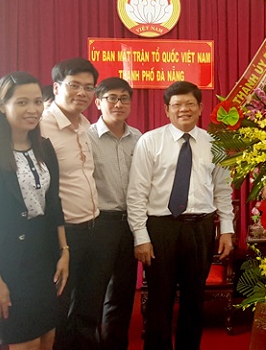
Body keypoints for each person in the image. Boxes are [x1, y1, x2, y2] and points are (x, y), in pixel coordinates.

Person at [127, 81, 234, 350]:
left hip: (201, 228)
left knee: (193, 298)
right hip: (161, 228)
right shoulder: (149, 141)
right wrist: (140, 236)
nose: (183, 109)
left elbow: (223, 189)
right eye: (177, 105)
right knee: (159, 299)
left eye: (189, 104)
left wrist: (228, 230)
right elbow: (137, 192)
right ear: (166, 109)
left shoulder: (214, 144)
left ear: (200, 108)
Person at [0, 72, 69, 349]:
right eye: (22, 102)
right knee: (23, 342)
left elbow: (54, 203)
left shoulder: (44, 148)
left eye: (38, 101)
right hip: (5, 263)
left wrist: (64, 252)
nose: (33, 109)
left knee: (47, 338)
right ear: (2, 105)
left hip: (43, 257)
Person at [40, 57, 102, 350]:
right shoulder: (41, 127)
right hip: (60, 234)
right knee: (59, 306)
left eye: (88, 88)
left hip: (92, 227)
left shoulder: (85, 124)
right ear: (56, 87)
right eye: (74, 85)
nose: (82, 93)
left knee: (89, 303)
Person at [87, 77, 141, 350]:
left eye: (124, 98)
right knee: (92, 295)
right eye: (111, 98)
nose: (119, 104)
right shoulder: (85, 138)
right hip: (98, 224)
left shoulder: (139, 139)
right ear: (98, 102)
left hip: (129, 224)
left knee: (122, 294)